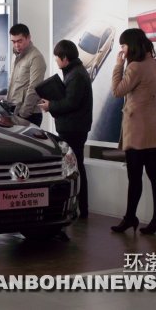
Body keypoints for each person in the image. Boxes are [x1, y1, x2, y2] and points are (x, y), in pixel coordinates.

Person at [110, 28, 156, 235]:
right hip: (154, 128)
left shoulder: (134, 67)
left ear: (131, 45)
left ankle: (130, 218)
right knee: (155, 175)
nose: (122, 50)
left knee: (134, 177)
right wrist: (147, 105)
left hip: (136, 130)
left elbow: (117, 91)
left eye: (123, 45)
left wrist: (118, 65)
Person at [38, 39, 93, 219]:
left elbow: (71, 102)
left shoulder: (76, 75)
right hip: (74, 126)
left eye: (57, 58)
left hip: (73, 128)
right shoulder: (75, 72)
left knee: (74, 168)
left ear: (65, 58)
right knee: (76, 167)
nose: (55, 61)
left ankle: (80, 208)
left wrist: (50, 105)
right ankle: (79, 208)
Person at [6, 23, 46, 126]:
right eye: (13, 42)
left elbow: (34, 88)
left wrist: (23, 114)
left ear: (28, 38)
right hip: (14, 111)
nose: (16, 45)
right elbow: (13, 84)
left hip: (29, 114)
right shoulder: (15, 55)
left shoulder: (36, 57)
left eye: (19, 41)